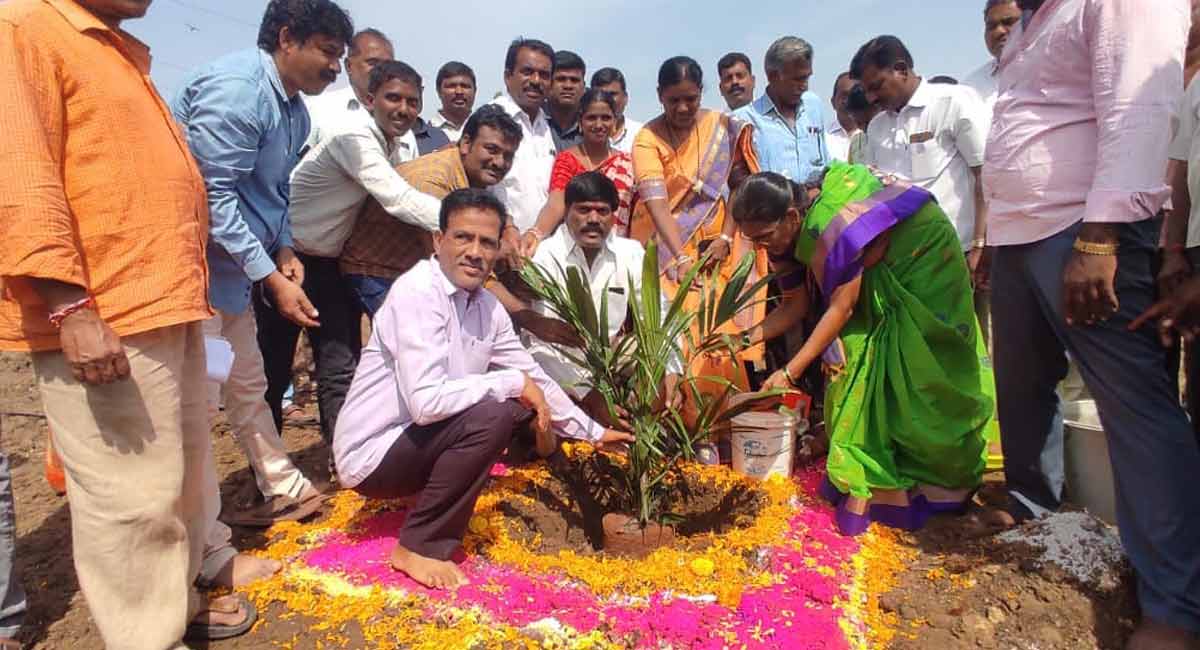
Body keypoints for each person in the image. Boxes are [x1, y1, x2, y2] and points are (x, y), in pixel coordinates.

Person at [0, 0, 257, 644]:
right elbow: (21, 177)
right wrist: (70, 307)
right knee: (132, 500)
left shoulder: (107, 45)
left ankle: (178, 604)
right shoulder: (23, 27)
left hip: (162, 299)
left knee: (178, 478)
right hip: (104, 311)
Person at [983, 1, 1200, 647]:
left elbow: (1138, 109)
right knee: (1022, 391)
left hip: (1082, 233)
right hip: (1020, 236)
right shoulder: (1033, 21)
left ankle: (1175, 609)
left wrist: (1100, 238)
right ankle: (1036, 515)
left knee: (1134, 410)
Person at [332, 188, 633, 589]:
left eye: (487, 242)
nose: (475, 252)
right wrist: (510, 382)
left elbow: (532, 374)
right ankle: (420, 546)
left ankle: (429, 495)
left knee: (514, 405)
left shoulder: (487, 307)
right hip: (372, 457)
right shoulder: (418, 292)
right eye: (463, 237)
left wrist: (593, 432)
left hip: (413, 443)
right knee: (495, 412)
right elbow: (426, 403)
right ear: (438, 241)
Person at [731, 166, 995, 537]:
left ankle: (936, 479)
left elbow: (842, 309)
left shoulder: (830, 225)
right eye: (753, 241)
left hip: (921, 257)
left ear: (791, 216)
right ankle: (878, 467)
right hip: (876, 271)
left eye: (764, 237)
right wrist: (741, 340)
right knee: (858, 358)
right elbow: (795, 304)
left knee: (919, 366)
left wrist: (789, 372)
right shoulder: (783, 237)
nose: (761, 247)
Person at [172, 0, 353, 527]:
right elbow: (212, 199)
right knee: (199, 401)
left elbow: (274, 194)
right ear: (287, 38)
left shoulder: (294, 111)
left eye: (339, 57)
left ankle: (282, 486)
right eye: (327, 52)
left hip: (230, 279)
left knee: (247, 384)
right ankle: (197, 528)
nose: (335, 68)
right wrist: (271, 277)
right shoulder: (239, 92)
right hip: (193, 279)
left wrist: (285, 247)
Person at [266, 60, 444, 454]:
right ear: (369, 99)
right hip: (285, 259)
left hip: (328, 263)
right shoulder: (354, 138)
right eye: (393, 98)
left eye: (412, 102)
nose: (403, 109)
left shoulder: (395, 144)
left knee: (339, 365)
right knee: (274, 368)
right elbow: (398, 200)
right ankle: (266, 467)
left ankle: (343, 457)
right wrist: (463, 222)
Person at [631, 56, 768, 391]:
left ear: (701, 93)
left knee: (718, 330)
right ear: (660, 95)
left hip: (717, 248)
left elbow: (740, 186)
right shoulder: (647, 138)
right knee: (677, 331)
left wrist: (726, 238)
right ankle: (678, 414)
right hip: (668, 251)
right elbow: (657, 203)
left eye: (690, 99)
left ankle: (720, 414)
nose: (682, 108)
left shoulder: (722, 127)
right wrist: (679, 256)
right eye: (673, 100)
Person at [522, 173, 679, 424]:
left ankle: (643, 431)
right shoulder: (544, 257)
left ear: (613, 215)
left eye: (602, 211)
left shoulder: (631, 253)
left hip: (608, 361)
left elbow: (660, 317)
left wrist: (670, 371)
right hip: (556, 368)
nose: (593, 219)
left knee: (658, 358)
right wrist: (591, 397)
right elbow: (543, 347)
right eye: (584, 210)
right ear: (567, 211)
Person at [339, 105, 522, 316]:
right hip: (377, 273)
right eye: (492, 150)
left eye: (508, 155)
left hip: (418, 270)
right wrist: (529, 318)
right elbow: (454, 265)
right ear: (466, 144)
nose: (500, 162)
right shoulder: (433, 182)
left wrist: (509, 229)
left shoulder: (473, 171)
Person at [852, 35, 990, 300]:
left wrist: (980, 244)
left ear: (901, 70)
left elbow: (985, 174)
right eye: (866, 90)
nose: (870, 97)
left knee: (970, 326)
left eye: (876, 86)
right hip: (905, 260)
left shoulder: (952, 102)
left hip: (958, 253)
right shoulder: (877, 127)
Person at [522, 89, 637, 255]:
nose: (599, 125)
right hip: (573, 253)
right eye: (591, 118)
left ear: (614, 121)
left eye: (606, 118)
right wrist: (536, 233)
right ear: (580, 121)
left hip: (617, 252)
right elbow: (556, 203)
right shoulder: (567, 160)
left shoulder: (628, 163)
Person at [735, 36, 829, 183]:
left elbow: (824, 162)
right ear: (772, 76)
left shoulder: (813, 105)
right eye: (797, 79)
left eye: (807, 78)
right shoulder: (744, 121)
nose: (804, 86)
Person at [489, 38, 559, 236]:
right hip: (499, 241)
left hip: (543, 244)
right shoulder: (489, 119)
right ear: (508, 76)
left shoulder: (548, 127)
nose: (536, 81)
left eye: (544, 75)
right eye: (527, 72)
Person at [305, 27, 393, 145]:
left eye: (388, 65)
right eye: (372, 63)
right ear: (349, 66)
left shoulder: (400, 121)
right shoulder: (317, 110)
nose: (381, 70)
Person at [962, 0, 1022, 122]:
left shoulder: (1054, 72)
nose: (999, 31)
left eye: (1008, 22)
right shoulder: (970, 87)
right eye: (991, 26)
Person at [591, 67, 644, 154]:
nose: (608, 100)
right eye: (602, 94)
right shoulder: (584, 134)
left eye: (612, 94)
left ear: (625, 98)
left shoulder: (641, 133)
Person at [545, 50, 586, 152]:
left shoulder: (592, 126)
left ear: (584, 87)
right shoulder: (532, 120)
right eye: (561, 79)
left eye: (574, 80)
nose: (568, 86)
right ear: (548, 83)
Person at [429, 61, 477, 141]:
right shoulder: (422, 134)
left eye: (465, 86)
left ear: (475, 91)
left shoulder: (486, 131)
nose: (459, 92)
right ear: (439, 91)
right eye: (451, 86)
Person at [825, 72, 859, 162]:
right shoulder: (823, 138)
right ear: (833, 102)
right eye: (844, 96)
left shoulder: (874, 136)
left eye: (854, 96)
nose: (850, 102)